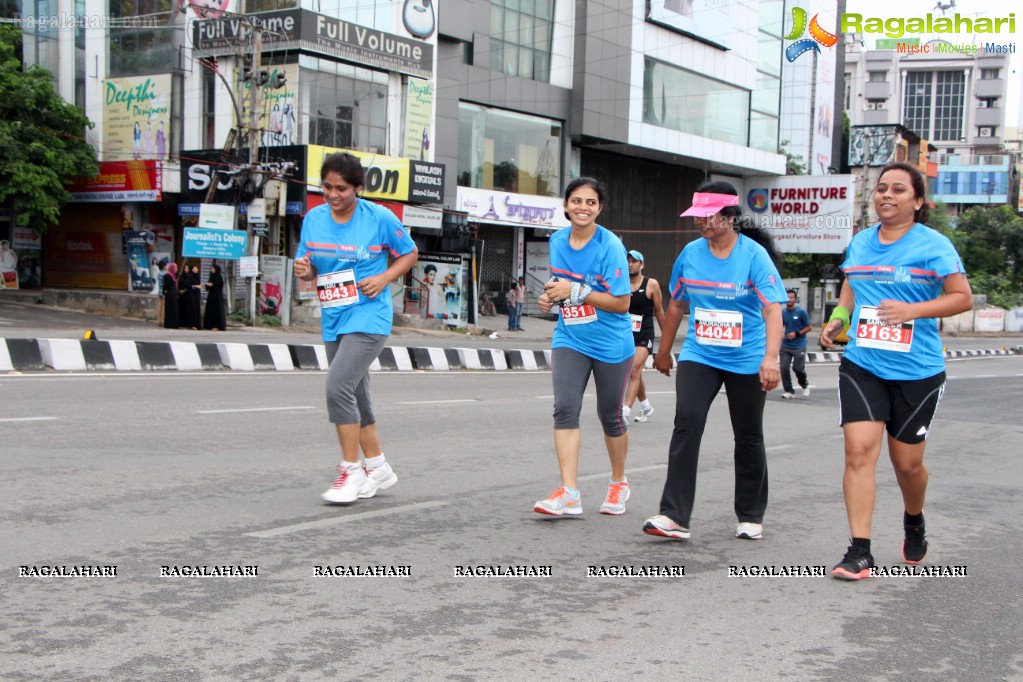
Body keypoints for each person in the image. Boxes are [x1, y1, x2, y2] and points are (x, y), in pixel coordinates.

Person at [822, 162, 972, 581]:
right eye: (882, 188)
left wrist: (913, 310)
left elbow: (962, 298)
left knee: (906, 465)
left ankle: (914, 516)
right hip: (863, 364)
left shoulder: (934, 245)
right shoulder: (861, 244)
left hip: (918, 370)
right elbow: (852, 285)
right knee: (858, 452)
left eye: (899, 190)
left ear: (917, 201)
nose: (887, 195)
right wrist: (838, 318)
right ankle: (860, 550)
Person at [644, 180, 785, 542]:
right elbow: (677, 303)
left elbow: (772, 310)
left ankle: (750, 515)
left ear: (729, 215)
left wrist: (770, 358)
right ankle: (674, 515)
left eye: (709, 216)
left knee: (748, 434)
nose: (701, 223)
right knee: (687, 423)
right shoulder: (690, 254)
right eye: (698, 216)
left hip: (747, 357)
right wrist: (663, 351)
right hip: (701, 353)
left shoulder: (753, 256)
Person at [294, 152, 418, 505]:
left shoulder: (378, 217)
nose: (333, 195)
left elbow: (409, 253)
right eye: (327, 187)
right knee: (357, 394)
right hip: (335, 315)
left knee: (337, 386)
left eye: (342, 189)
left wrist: (384, 278)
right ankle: (377, 467)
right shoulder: (313, 219)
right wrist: (305, 271)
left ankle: (350, 470)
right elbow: (310, 266)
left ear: (358, 188)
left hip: (369, 315)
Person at [533, 177, 634, 517]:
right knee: (564, 408)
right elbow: (558, 284)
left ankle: (618, 483)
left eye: (591, 202)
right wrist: (549, 297)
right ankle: (569, 492)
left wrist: (576, 292)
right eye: (576, 201)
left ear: (599, 209)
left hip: (610, 344)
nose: (582, 207)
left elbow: (621, 303)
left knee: (610, 416)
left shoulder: (611, 247)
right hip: (571, 337)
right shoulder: (558, 241)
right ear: (565, 205)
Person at [622, 250, 665, 423]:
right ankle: (646, 406)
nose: (630, 264)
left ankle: (624, 412)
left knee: (633, 370)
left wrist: (666, 341)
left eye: (634, 261)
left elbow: (660, 311)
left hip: (644, 335)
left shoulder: (651, 284)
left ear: (642, 264)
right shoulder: (621, 283)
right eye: (628, 261)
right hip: (624, 335)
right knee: (635, 372)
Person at [780, 288, 812, 399]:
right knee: (783, 368)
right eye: (787, 297)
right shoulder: (782, 312)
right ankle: (789, 391)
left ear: (795, 299)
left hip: (799, 344)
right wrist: (781, 332)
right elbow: (781, 325)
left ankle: (805, 385)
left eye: (791, 297)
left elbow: (809, 327)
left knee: (798, 368)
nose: (789, 299)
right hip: (785, 345)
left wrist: (797, 334)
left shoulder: (801, 312)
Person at [202, 263, 227, 331]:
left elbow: (216, 285)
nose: (211, 270)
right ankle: (209, 325)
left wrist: (209, 284)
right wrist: (206, 285)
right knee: (210, 310)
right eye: (211, 268)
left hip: (217, 296)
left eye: (213, 269)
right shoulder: (211, 276)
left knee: (216, 310)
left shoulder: (219, 277)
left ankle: (217, 325)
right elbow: (209, 285)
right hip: (211, 295)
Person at [162, 262, 180, 329]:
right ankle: (170, 323)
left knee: (173, 308)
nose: (176, 269)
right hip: (170, 293)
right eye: (175, 268)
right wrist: (165, 291)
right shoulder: (168, 275)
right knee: (170, 308)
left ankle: (173, 323)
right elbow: (165, 285)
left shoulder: (173, 275)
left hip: (172, 293)